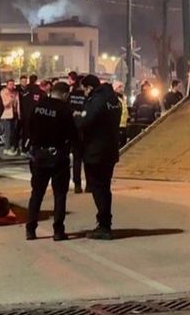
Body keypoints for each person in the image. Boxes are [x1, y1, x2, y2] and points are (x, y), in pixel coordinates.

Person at [25, 82, 78, 241]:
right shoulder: (64, 110)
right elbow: (72, 134)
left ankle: (30, 229)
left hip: (38, 155)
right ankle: (58, 231)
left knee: (37, 194)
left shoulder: (38, 106)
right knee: (60, 195)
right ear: (65, 94)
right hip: (58, 156)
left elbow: (28, 127)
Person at [76, 75, 122, 240]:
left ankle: (104, 225)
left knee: (98, 188)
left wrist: (77, 117)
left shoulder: (97, 100)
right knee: (105, 186)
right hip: (110, 149)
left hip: (95, 150)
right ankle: (105, 222)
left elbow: (85, 121)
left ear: (89, 87)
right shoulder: (114, 100)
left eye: (85, 90)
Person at [67, 72, 86, 193]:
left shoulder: (71, 94)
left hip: (74, 129)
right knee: (87, 159)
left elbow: (67, 108)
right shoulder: (87, 96)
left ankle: (77, 184)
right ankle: (89, 185)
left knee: (77, 159)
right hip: (86, 129)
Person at [0, 80, 20, 156]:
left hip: (14, 115)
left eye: (13, 84)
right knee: (7, 132)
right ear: (7, 85)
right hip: (6, 115)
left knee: (13, 132)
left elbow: (18, 103)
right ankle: (6, 148)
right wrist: (11, 99)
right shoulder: (4, 92)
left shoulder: (15, 93)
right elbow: (5, 104)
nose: (12, 86)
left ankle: (11, 147)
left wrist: (19, 113)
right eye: (10, 84)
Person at [114, 82, 130, 147]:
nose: (121, 89)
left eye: (122, 87)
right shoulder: (115, 99)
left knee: (123, 144)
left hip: (123, 125)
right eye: (119, 87)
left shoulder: (123, 99)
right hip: (118, 125)